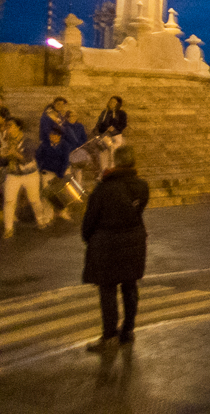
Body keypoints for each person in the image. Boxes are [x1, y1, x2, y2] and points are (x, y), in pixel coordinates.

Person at [81, 145, 149, 352]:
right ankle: (127, 331)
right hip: (134, 241)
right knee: (130, 287)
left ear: (116, 162)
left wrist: (89, 238)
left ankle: (110, 335)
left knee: (108, 290)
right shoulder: (142, 186)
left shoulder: (104, 188)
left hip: (107, 244)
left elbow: (89, 220)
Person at [2, 118, 49, 239]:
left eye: (11, 126)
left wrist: (14, 153)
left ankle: (41, 221)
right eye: (7, 126)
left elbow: (28, 158)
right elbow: (3, 162)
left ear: (18, 127)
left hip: (30, 174)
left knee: (34, 200)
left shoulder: (27, 141)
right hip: (13, 174)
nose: (8, 128)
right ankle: (8, 228)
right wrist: (3, 156)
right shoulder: (5, 142)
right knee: (9, 201)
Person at [36, 125, 73, 223]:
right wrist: (40, 168)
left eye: (56, 135)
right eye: (51, 135)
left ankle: (63, 211)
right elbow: (38, 157)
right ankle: (48, 216)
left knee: (60, 193)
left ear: (59, 136)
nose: (53, 137)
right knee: (46, 194)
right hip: (47, 172)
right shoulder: (44, 145)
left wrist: (60, 174)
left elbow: (65, 161)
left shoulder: (64, 145)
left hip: (60, 172)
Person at [94, 96, 128, 173]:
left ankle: (114, 171)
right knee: (103, 155)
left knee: (113, 154)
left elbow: (123, 124)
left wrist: (115, 128)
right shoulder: (104, 113)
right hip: (105, 136)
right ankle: (104, 172)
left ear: (118, 104)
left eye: (114, 102)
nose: (111, 103)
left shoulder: (121, 113)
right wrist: (104, 129)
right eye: (110, 101)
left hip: (116, 136)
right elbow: (99, 124)